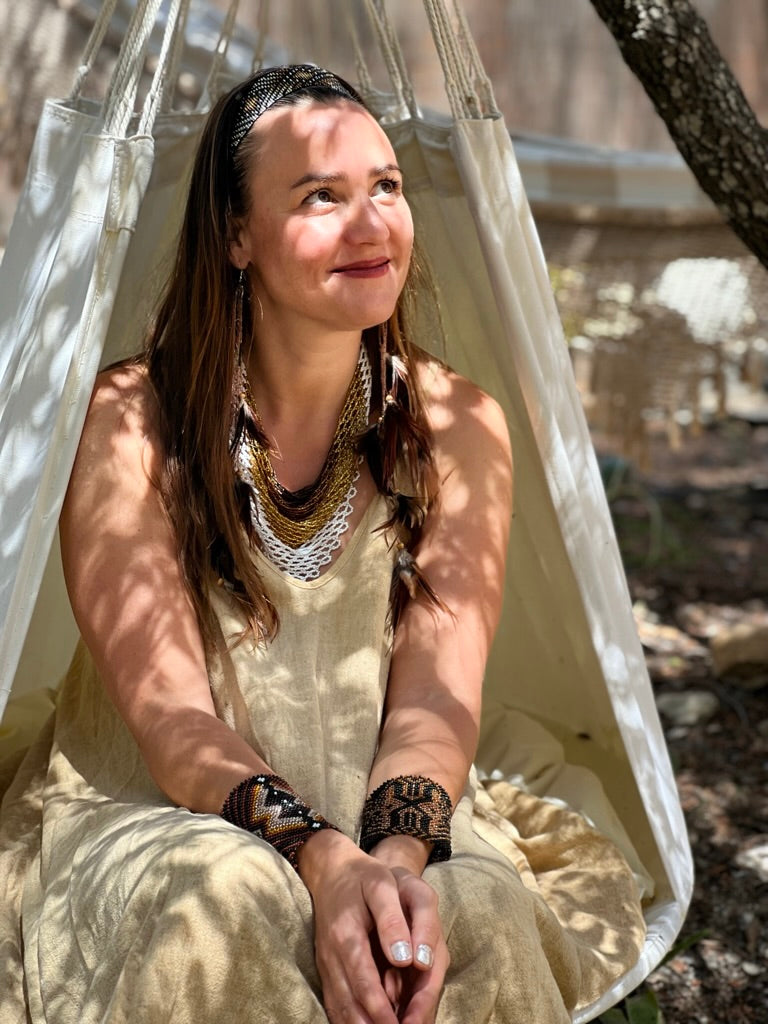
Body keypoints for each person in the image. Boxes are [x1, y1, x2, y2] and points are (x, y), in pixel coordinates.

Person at [0, 65, 646, 1023]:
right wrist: (321, 859)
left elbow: (433, 696)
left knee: (475, 923)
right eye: (321, 197)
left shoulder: (456, 422)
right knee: (215, 909)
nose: (371, 224)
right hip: (164, 800)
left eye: (386, 186)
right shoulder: (130, 422)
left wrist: (390, 863)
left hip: (386, 791)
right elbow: (174, 724)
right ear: (234, 235)